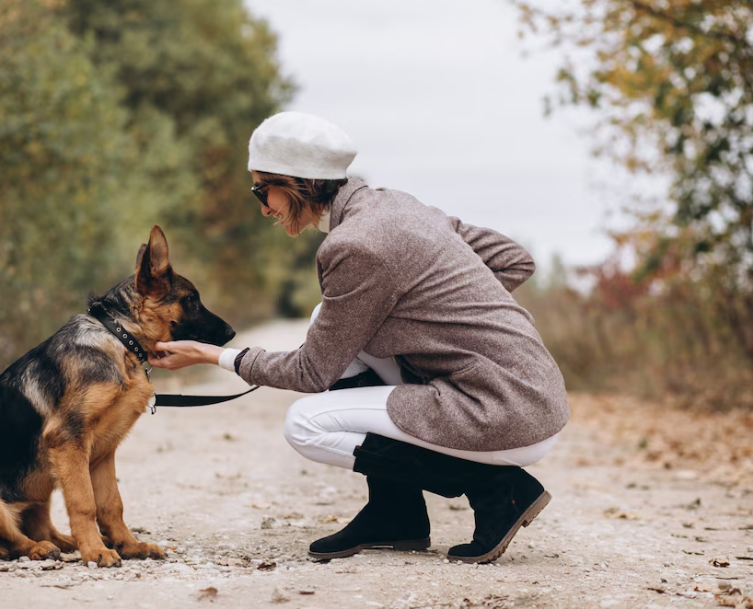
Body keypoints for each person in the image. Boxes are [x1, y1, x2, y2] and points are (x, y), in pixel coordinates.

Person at [148, 111, 569, 564]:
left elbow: (313, 371)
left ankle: (498, 490)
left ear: (295, 182)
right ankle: (395, 513)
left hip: (501, 410)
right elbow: (514, 260)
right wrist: (440, 315)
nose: (263, 207)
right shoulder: (399, 206)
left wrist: (215, 356)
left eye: (260, 190)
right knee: (323, 320)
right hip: (533, 393)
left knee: (304, 425)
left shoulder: (355, 244)